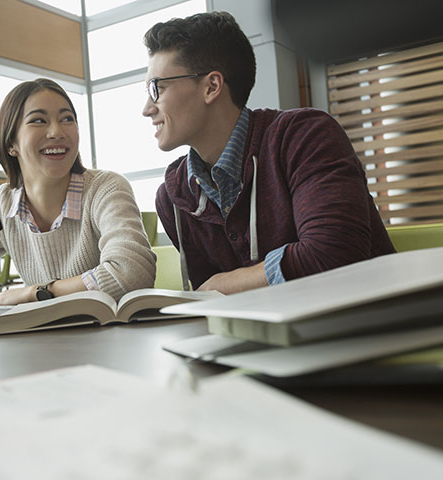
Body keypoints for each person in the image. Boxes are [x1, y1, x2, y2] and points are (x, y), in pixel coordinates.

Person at [141, 11, 395, 295]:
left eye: (157, 88)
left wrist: (222, 284)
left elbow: (334, 255)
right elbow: (209, 302)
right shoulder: (174, 196)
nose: (147, 109)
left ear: (211, 86)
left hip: (368, 328)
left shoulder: (306, 136)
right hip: (266, 336)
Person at [0, 78, 156, 306]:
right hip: (43, 345)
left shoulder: (105, 188)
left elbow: (131, 274)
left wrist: (34, 293)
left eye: (67, 119)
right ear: (10, 144)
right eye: (39, 120)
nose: (57, 131)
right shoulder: (1, 205)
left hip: (112, 341)